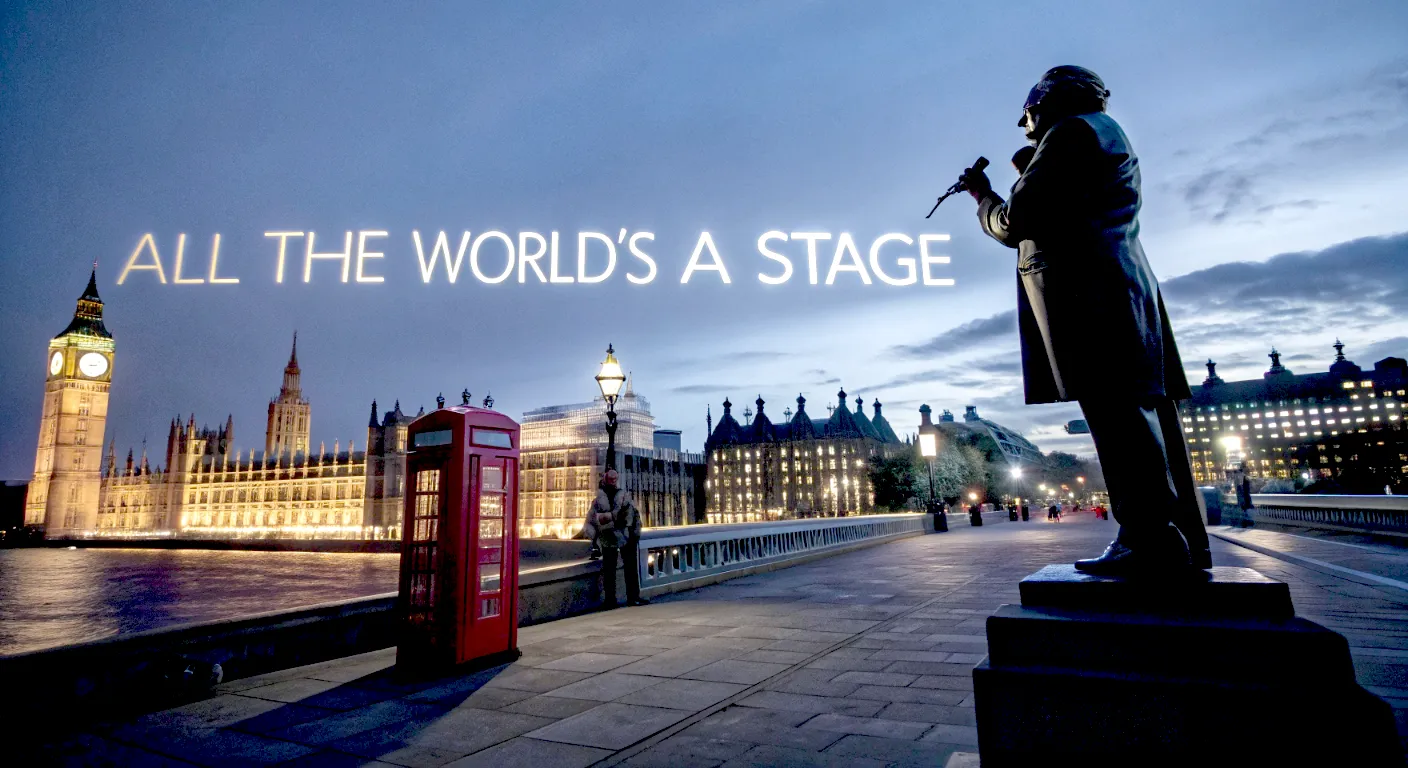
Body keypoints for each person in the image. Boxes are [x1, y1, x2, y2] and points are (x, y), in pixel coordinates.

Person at [959, 65, 1210, 575]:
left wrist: (982, 196)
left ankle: (1150, 538)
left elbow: (1017, 222)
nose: (1021, 121)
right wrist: (1028, 166)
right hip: (1118, 288)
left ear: (1048, 101)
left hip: (1092, 296)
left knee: (1117, 419)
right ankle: (1166, 535)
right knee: (1134, 418)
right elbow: (1068, 204)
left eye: (1026, 110)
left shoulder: (1072, 131)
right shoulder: (1100, 133)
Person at [579, 469, 648, 608]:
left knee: (617, 568)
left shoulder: (604, 498)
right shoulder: (607, 498)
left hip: (617, 535)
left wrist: (606, 524)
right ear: (606, 479)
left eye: (614, 478)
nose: (613, 480)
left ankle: (616, 600)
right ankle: (627, 598)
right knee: (620, 569)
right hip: (618, 535)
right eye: (611, 478)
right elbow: (630, 515)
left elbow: (594, 520)